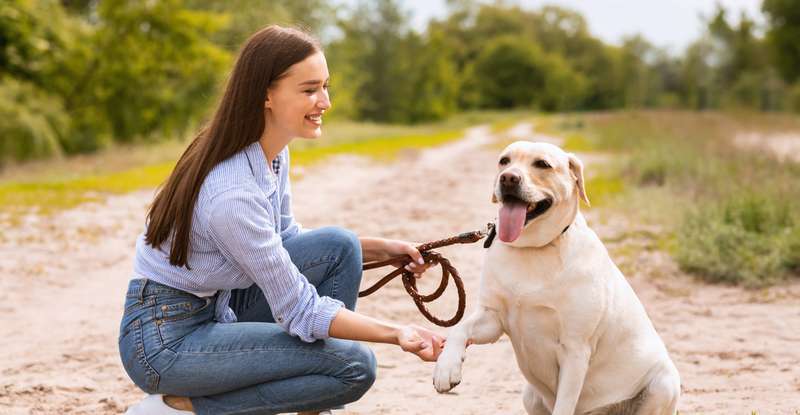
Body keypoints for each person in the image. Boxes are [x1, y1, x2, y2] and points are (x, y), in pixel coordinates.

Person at [119, 25, 445, 415]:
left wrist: (382, 250)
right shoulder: (232, 193)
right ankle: (179, 407)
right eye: (309, 90)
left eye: (325, 86)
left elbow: (286, 240)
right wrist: (398, 333)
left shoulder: (269, 153)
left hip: (217, 306)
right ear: (266, 95)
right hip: (165, 343)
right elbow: (300, 309)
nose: (324, 101)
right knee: (353, 366)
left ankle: (312, 402)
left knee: (340, 246)